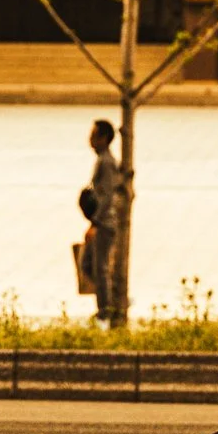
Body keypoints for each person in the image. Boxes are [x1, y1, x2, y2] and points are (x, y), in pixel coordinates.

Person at [84, 118, 125, 325]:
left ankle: (105, 311)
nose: (90, 140)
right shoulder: (103, 160)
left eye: (94, 136)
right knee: (89, 264)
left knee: (99, 267)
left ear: (104, 138)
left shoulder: (107, 163)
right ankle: (107, 302)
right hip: (100, 221)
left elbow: (108, 196)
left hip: (105, 224)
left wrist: (96, 224)